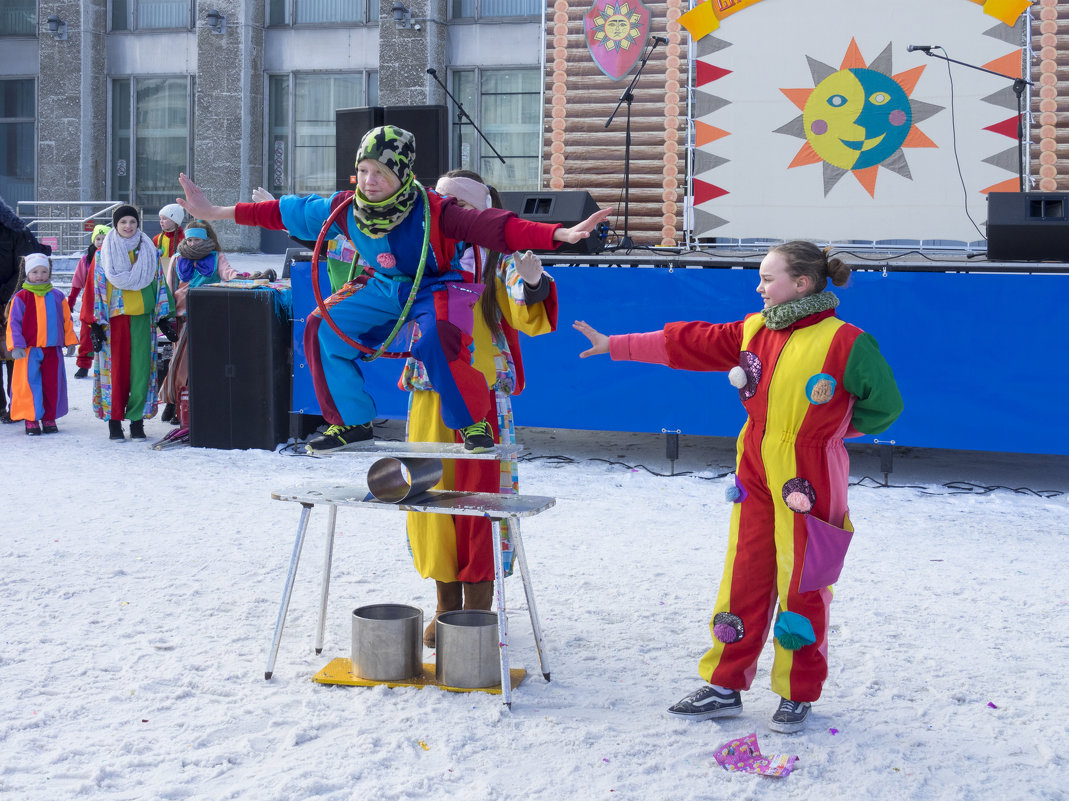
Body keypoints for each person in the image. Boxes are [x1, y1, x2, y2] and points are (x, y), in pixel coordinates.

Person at [573, 241, 903, 734]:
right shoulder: (755, 329)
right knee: (744, 571)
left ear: (802, 284)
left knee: (805, 581)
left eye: (768, 278)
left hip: (810, 475)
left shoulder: (847, 342)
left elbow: (886, 405)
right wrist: (616, 344)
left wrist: (830, 430)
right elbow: (690, 341)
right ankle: (725, 683)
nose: (759, 286)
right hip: (754, 468)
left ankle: (796, 691)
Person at [176, 124, 610, 454]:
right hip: (385, 287)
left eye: (380, 172)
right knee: (320, 327)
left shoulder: (437, 212)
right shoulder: (344, 209)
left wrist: (559, 235)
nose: (369, 180)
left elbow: (496, 226)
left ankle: (473, 420)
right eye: (364, 170)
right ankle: (351, 421)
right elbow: (282, 210)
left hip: (435, 286)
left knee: (438, 337)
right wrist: (215, 210)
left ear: (402, 174)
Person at [401, 170, 559, 646]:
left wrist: (534, 284)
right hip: (430, 392)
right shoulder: (419, 253)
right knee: (427, 496)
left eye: (457, 206)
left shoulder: (498, 259)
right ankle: (446, 604)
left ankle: (478, 611)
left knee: (482, 503)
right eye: (440, 202)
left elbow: (524, 304)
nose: (445, 213)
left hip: (483, 396)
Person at [91, 204, 171, 441]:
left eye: (132, 222)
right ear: (115, 225)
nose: (128, 226)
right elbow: (94, 289)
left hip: (142, 320)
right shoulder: (102, 254)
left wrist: (164, 317)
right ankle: (114, 421)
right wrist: (94, 324)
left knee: (141, 373)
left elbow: (159, 283)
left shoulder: (150, 251)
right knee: (114, 373)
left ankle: (137, 421)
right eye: (123, 222)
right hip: (113, 321)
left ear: (138, 225)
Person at [159, 219, 240, 425]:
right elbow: (169, 287)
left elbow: (229, 274)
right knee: (179, 361)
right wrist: (165, 316)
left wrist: (244, 277)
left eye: (197, 239)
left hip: (207, 314)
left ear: (206, 239)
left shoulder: (216, 257)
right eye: (190, 239)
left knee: (202, 363)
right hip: (182, 316)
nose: (193, 243)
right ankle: (174, 402)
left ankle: (189, 404)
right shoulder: (177, 258)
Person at [4, 253, 77, 434]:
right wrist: (17, 346)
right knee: (30, 384)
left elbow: (66, 321)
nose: (40, 276)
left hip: (52, 349)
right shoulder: (21, 297)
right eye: (35, 272)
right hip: (29, 350)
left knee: (52, 384)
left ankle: (49, 417)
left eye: (43, 271)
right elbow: (14, 323)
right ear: (27, 273)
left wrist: (70, 341)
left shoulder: (58, 296)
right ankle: (31, 418)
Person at [0, 194, 51, 423]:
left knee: (16, 356)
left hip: (14, 301)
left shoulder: (17, 230)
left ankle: (17, 405)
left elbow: (27, 266)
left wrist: (6, 296)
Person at [69, 224, 110, 378]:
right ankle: (84, 364)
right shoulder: (86, 259)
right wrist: (71, 301)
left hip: (107, 299)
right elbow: (77, 281)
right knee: (87, 334)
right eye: (98, 239)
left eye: (104, 238)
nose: (100, 241)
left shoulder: (113, 256)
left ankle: (109, 364)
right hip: (91, 300)